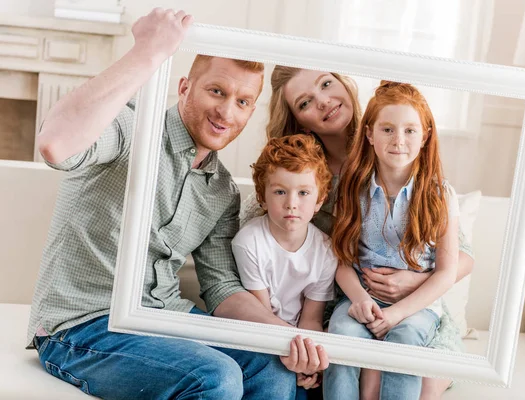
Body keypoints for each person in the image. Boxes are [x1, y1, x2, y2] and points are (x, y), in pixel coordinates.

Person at [27, 9, 325, 399]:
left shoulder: (221, 191)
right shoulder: (131, 128)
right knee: (213, 376)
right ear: (184, 87)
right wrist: (148, 51)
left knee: (271, 369)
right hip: (81, 325)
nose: (226, 112)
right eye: (216, 91)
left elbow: (222, 288)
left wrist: (285, 335)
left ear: (251, 112)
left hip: (166, 319)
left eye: (242, 101)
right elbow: (56, 145)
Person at [241, 66, 475, 399]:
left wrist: (413, 281)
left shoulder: (403, 150)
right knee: (356, 372)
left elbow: (459, 259)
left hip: (414, 304)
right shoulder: (301, 176)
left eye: (326, 84)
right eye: (306, 102)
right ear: (297, 119)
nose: (323, 102)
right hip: (344, 307)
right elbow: (260, 230)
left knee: (413, 380)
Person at [324, 81, 459, 399]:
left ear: (425, 136)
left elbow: (446, 273)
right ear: (369, 134)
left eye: (410, 130)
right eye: (387, 129)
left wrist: (397, 315)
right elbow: (342, 262)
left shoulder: (440, 195)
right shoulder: (351, 190)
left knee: (406, 339)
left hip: (416, 308)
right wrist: (360, 300)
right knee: (341, 332)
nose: (399, 140)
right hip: (362, 299)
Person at [232, 134, 338, 399]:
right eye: (280, 191)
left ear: (319, 201)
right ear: (262, 198)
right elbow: (261, 316)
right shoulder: (249, 242)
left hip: (298, 341)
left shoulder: (325, 251)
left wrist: (307, 363)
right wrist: (290, 357)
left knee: (308, 391)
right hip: (260, 339)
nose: (292, 203)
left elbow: (311, 319)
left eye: (303, 193)